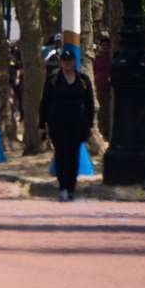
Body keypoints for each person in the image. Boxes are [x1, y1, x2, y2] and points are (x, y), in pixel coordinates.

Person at [38, 48, 94, 201]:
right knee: (61, 154)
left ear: (74, 62)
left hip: (78, 124)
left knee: (73, 155)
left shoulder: (83, 79)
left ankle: (71, 187)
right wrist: (42, 124)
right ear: (61, 62)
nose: (67, 64)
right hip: (58, 123)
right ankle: (62, 186)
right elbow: (45, 101)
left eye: (70, 61)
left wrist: (89, 125)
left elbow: (89, 103)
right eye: (64, 61)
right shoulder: (53, 79)